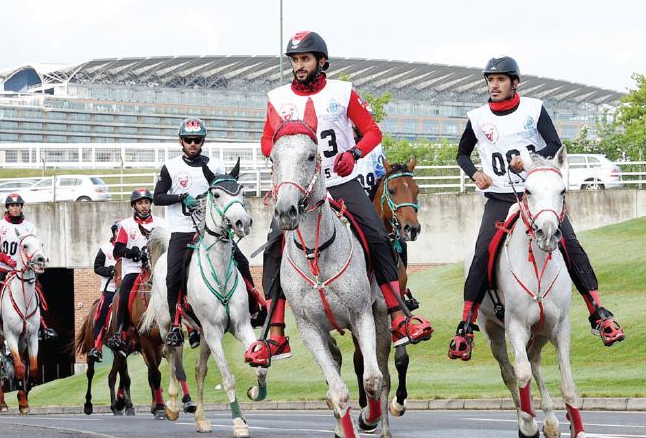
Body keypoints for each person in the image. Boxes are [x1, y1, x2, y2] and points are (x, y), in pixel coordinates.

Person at [245, 30, 431, 367]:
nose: (299, 66)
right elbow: (266, 143)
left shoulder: (342, 92)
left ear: (321, 61)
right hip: (300, 187)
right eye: (295, 60)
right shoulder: (278, 97)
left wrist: (355, 151)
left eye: (305, 59)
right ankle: (275, 330)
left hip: (340, 181)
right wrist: (284, 163)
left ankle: (397, 312)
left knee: (376, 233)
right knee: (275, 243)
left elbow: (373, 131)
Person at [448, 56, 625, 360]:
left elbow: (554, 143)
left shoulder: (534, 108)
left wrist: (528, 160)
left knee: (570, 244)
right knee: (482, 252)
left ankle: (598, 312)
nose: (494, 85)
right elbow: (462, 154)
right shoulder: (477, 117)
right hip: (501, 196)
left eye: (501, 80)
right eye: (490, 80)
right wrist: (474, 173)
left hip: (537, 195)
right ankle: (465, 325)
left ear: (515, 83)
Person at [154, 116, 266, 348]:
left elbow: (225, 194)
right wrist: (182, 197)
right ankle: (176, 324)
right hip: (182, 231)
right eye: (188, 140)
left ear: (203, 140)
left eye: (197, 140)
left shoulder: (215, 166)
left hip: (213, 232)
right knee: (172, 275)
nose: (192, 144)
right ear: (180, 141)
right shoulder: (171, 167)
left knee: (242, 262)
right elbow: (158, 196)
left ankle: (255, 309)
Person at [0, 193, 56, 348]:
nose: (15, 208)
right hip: (3, 267)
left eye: (18, 205)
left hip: (23, 269)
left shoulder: (29, 227)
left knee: (39, 291)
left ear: (21, 207)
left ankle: (43, 327)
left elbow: (35, 246)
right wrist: (6, 259)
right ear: (7, 208)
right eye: (12, 206)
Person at [105, 188, 161, 355]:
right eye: (140, 203)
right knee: (123, 293)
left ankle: (187, 326)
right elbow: (119, 249)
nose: (144, 206)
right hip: (134, 269)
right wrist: (134, 253)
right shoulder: (125, 225)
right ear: (134, 206)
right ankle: (120, 333)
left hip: (158, 268)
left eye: (146, 202)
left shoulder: (161, 222)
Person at [87, 221, 119, 362]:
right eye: (117, 230)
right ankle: (97, 347)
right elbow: (97, 267)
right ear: (114, 232)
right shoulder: (105, 249)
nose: (120, 233)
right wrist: (110, 271)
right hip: (110, 288)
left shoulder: (130, 248)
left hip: (127, 288)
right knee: (101, 316)